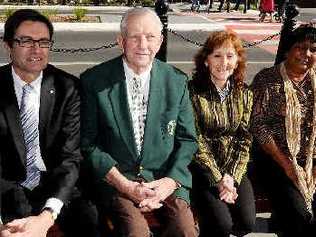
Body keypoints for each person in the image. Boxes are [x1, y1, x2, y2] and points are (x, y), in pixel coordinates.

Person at [80, 7, 198, 237]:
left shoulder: (176, 81)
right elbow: (87, 143)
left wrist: (170, 183)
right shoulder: (94, 81)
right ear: (120, 41)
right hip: (118, 180)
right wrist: (125, 185)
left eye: (150, 37)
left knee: (185, 231)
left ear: (160, 41)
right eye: (134, 36)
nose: (143, 45)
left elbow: (187, 139)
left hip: (164, 178)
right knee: (136, 233)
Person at [0, 9, 99, 237]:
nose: (36, 49)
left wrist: (47, 215)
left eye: (43, 42)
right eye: (26, 41)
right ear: (8, 45)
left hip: (57, 184)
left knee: (88, 219)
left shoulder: (68, 88)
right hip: (9, 187)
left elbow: (70, 157)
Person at [251, 24, 316, 237]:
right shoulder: (267, 80)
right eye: (300, 47)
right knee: (301, 217)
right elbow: (258, 125)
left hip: (311, 161)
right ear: (288, 50)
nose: (306, 54)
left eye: (313, 49)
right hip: (276, 160)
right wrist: (288, 166)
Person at [189, 30, 256, 237]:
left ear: (237, 62)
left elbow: (245, 138)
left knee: (246, 223)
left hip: (232, 167)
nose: (223, 62)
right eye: (217, 55)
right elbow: (195, 138)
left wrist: (231, 177)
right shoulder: (192, 91)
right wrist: (218, 178)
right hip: (202, 168)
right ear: (206, 60)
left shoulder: (244, 93)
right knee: (221, 224)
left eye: (230, 56)